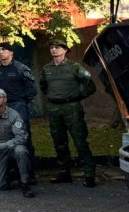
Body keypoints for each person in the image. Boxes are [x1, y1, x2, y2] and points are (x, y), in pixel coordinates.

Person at [39, 40, 98, 187]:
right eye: (51, 47)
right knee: (59, 142)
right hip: (54, 108)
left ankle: (89, 175)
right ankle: (64, 173)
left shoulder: (75, 67)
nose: (53, 49)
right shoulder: (47, 68)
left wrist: (76, 97)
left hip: (71, 108)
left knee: (80, 141)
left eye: (57, 47)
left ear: (65, 50)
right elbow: (43, 86)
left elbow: (90, 86)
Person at [0, 42, 37, 180]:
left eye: (4, 50)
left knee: (23, 138)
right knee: (3, 137)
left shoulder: (20, 68)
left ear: (11, 52)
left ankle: (28, 174)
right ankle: (9, 171)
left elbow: (32, 90)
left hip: (18, 106)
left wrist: (21, 101)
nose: (0, 52)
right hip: (1, 108)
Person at [0, 88, 34, 197]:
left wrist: (1, 146)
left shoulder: (14, 115)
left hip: (13, 146)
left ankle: (25, 183)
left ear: (5, 100)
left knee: (21, 151)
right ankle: (12, 174)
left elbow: (21, 138)